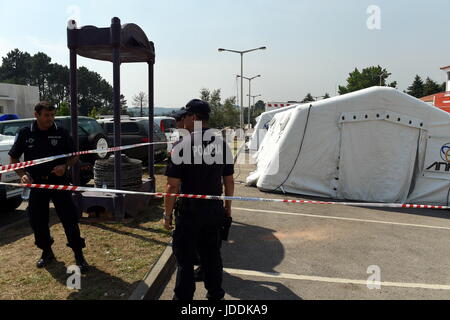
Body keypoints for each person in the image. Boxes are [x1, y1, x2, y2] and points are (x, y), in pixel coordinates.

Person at [164, 99, 235, 300]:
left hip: (189, 213)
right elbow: (229, 182)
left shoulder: (181, 146)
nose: (182, 121)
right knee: (212, 257)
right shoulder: (222, 145)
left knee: (185, 260)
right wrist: (227, 208)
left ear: (193, 118)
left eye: (185, 116)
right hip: (213, 211)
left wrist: (167, 215)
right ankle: (215, 296)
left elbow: (172, 186)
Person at [9, 101, 89, 272]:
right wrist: (22, 174)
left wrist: (65, 166)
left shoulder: (61, 131)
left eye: (53, 115)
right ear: (36, 115)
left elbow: (74, 156)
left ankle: (78, 254)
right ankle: (47, 252)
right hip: (37, 183)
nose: (50, 119)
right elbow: (14, 159)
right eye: (47, 115)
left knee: (69, 218)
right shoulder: (25, 133)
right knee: (37, 220)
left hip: (59, 183)